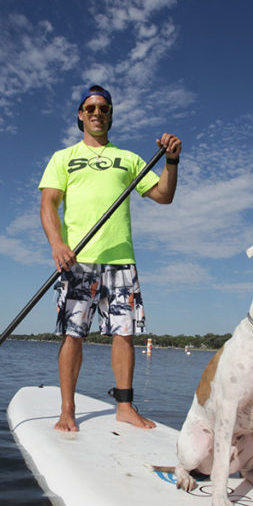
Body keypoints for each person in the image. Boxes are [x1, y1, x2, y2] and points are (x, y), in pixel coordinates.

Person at [38, 85, 181, 432]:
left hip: (120, 258)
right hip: (77, 260)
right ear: (80, 115)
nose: (96, 113)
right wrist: (57, 245)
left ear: (111, 114)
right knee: (73, 334)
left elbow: (163, 195)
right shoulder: (63, 157)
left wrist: (172, 161)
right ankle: (67, 409)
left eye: (103, 108)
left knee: (124, 332)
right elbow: (48, 204)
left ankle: (125, 407)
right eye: (90, 108)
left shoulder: (129, 158)